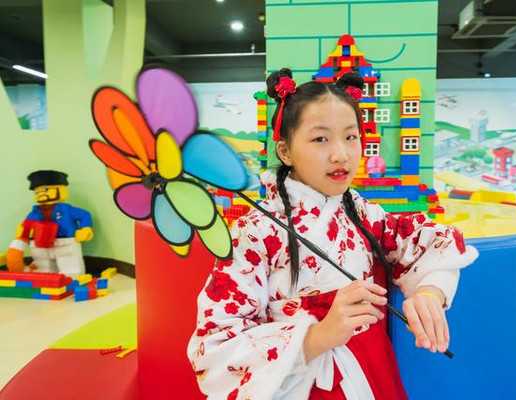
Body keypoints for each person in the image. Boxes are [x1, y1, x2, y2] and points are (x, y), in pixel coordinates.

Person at [188, 69, 478, 400]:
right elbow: (214, 343)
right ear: (285, 151)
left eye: (351, 137)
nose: (341, 154)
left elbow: (434, 239)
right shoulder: (256, 231)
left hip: (372, 371)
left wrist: (429, 293)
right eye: (320, 139)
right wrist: (319, 335)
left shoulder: (363, 213)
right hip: (300, 384)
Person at [6, 170, 94, 277]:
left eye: (45, 190)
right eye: (37, 192)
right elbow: (26, 226)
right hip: (41, 246)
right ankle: (45, 279)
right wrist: (20, 241)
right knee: (43, 271)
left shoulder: (66, 210)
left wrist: (85, 228)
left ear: (60, 190)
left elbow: (84, 215)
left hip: (64, 244)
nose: (41, 195)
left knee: (71, 270)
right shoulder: (35, 212)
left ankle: (71, 280)